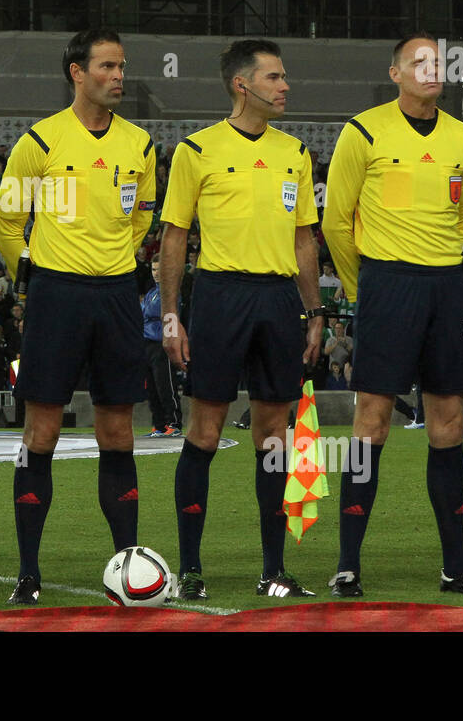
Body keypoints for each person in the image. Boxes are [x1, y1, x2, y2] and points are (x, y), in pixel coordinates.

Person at [322, 32, 463, 597]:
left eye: (438, 61)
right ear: (396, 73)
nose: (432, 69)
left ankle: (457, 568)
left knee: (448, 423)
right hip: (385, 282)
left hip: (443, 286)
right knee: (371, 423)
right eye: (419, 62)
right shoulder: (364, 130)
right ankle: (348, 563)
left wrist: (443, 253)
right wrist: (368, 286)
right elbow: (337, 219)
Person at [0, 27, 157, 605]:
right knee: (42, 431)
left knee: (118, 432)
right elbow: (7, 225)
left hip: (116, 297)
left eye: (122, 66)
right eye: (108, 66)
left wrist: (120, 260)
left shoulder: (140, 144)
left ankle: (130, 566)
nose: (118, 76)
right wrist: (31, 275)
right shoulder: (38, 142)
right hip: (56, 297)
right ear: (77, 72)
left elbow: (140, 220)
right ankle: (29, 573)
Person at [159, 39, 324, 600]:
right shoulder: (196, 150)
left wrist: (315, 310)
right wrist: (171, 315)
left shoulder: (295, 153)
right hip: (221, 296)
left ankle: (273, 570)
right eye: (274, 77)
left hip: (279, 301)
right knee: (203, 432)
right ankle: (191, 569)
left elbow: (305, 238)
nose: (285, 86)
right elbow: (175, 237)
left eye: (284, 77)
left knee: (275, 437)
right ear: (242, 84)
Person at [141, 254, 181, 438]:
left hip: (162, 343)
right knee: (152, 388)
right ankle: (159, 425)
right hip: (148, 343)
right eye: (154, 269)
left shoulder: (170, 291)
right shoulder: (152, 293)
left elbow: (153, 312)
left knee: (166, 385)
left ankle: (173, 423)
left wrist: (145, 312)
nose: (156, 273)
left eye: (159, 269)